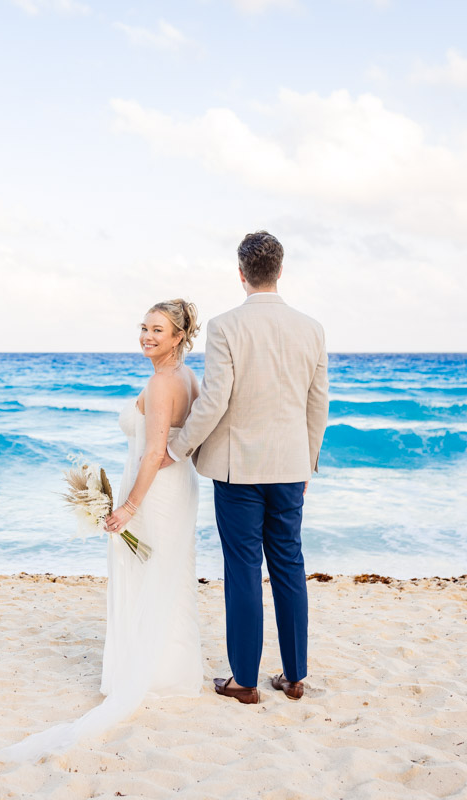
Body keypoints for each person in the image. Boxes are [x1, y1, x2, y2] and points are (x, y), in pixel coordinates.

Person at [0, 299, 204, 762]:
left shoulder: (162, 382)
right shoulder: (189, 377)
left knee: (147, 574)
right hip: (176, 489)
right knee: (166, 575)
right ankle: (169, 670)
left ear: (177, 336)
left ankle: (148, 673)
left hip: (155, 492)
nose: (147, 336)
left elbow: (153, 452)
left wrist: (129, 505)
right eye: (144, 327)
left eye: (157, 330)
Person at [165, 230, 328, 705]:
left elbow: (215, 400)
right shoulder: (311, 328)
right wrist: (308, 462)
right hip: (290, 466)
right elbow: (318, 404)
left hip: (239, 471)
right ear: (279, 272)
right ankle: (294, 676)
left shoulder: (225, 326)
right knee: (289, 566)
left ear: (241, 274)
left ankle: (244, 681)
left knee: (242, 570)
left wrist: (179, 447)